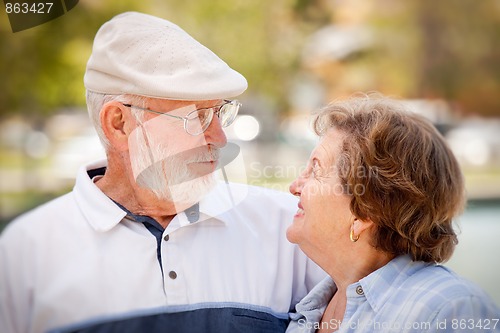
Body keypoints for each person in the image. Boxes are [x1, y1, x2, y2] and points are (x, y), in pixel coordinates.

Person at [0, 12, 325, 333]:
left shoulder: (287, 230)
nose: (220, 138)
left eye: (218, 113)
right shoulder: (25, 254)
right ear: (119, 124)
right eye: (196, 117)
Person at [286, 95, 500, 333]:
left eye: (316, 169)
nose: (295, 186)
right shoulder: (310, 309)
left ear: (365, 211)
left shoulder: (448, 310)